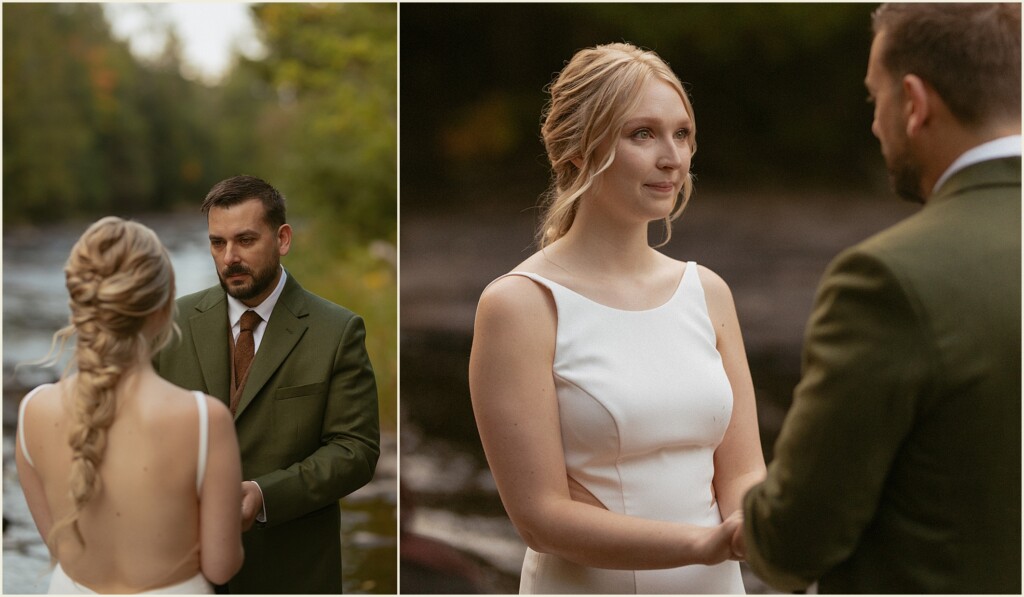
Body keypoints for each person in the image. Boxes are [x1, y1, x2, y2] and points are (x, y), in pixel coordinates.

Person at [736, 4, 1021, 593]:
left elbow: (795, 537)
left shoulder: (887, 280)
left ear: (914, 103)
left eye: (875, 99)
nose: (874, 124)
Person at [469, 42, 766, 594]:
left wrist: (759, 524)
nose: (672, 157)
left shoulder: (707, 292)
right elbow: (539, 518)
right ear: (578, 151)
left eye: (682, 134)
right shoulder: (519, 305)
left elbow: (745, 471)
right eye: (642, 134)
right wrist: (703, 544)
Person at [154, 175, 380, 594]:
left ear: (283, 239)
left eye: (245, 240)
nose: (229, 258)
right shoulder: (172, 325)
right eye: (217, 243)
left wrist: (262, 495)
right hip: (184, 572)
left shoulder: (338, 331)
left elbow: (356, 450)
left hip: (292, 574)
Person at [15, 217, 244, 593]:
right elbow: (220, 567)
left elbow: (60, 548)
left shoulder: (32, 411)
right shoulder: (203, 419)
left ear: (79, 304)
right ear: (164, 305)